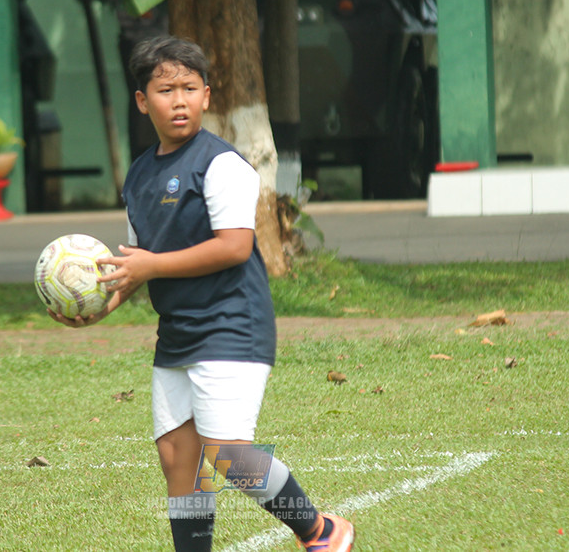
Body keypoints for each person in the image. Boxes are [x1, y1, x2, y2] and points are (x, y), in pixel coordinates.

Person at [49, 35, 354, 551]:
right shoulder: (141, 175)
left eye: (190, 88)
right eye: (166, 90)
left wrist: (148, 264)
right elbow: (142, 261)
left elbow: (235, 247)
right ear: (143, 101)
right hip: (179, 332)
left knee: (229, 454)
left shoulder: (221, 165)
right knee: (177, 457)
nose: (180, 100)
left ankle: (321, 530)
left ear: (207, 96)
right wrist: (101, 301)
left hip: (231, 323)